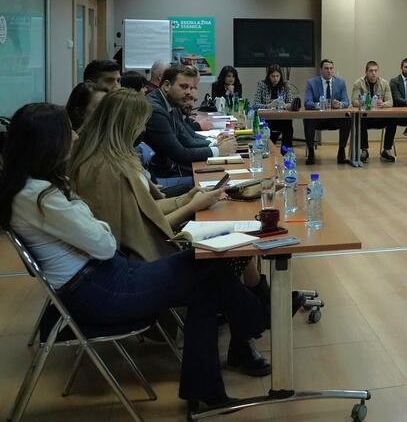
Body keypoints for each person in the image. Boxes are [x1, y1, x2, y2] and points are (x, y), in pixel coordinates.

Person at [0, 103, 268, 413]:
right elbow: (105, 244)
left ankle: (208, 392)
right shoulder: (41, 197)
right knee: (210, 265)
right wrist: (82, 209)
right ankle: (260, 318)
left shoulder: (30, 189)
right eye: (68, 132)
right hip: (99, 291)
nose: (75, 137)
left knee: (207, 276)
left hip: (102, 278)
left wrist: (84, 213)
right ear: (49, 144)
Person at [67, 89, 272, 376]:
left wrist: (187, 198)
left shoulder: (116, 158)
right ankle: (260, 317)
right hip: (136, 258)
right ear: (125, 124)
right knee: (228, 255)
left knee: (235, 247)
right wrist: (190, 207)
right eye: (140, 125)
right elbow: (129, 232)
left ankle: (252, 325)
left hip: (144, 246)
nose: (142, 132)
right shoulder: (102, 169)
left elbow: (145, 210)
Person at [145, 65, 237, 189]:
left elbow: (186, 138)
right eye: (184, 87)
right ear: (167, 85)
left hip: (173, 169)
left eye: (191, 87)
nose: (189, 92)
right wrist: (219, 150)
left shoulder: (171, 103)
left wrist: (215, 143)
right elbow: (180, 154)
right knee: (218, 184)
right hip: (161, 177)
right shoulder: (156, 110)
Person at [302, 59, 352, 165]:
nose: (329, 71)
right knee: (308, 120)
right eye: (326, 68)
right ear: (321, 70)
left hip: (334, 119)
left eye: (331, 68)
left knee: (347, 119)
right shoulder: (312, 83)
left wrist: (340, 104)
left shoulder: (340, 82)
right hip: (318, 119)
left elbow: (346, 102)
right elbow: (307, 103)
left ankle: (341, 151)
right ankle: (311, 152)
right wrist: (319, 105)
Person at [350, 61, 396, 163]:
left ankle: (386, 150)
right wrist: (367, 103)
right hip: (366, 117)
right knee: (360, 120)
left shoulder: (384, 83)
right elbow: (354, 101)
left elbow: (390, 102)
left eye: (375, 71)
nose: (374, 73)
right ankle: (364, 151)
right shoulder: (358, 83)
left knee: (393, 120)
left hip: (380, 117)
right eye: (371, 71)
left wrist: (383, 104)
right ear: (366, 72)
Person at [251, 64, 298, 149]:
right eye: (273, 76)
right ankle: (268, 149)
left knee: (288, 127)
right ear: (268, 76)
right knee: (268, 132)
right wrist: (268, 105)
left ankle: (285, 152)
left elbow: (291, 103)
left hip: (282, 118)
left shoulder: (285, 85)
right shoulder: (262, 85)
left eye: (277, 76)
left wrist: (285, 105)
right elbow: (255, 105)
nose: (275, 78)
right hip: (267, 119)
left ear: (280, 76)